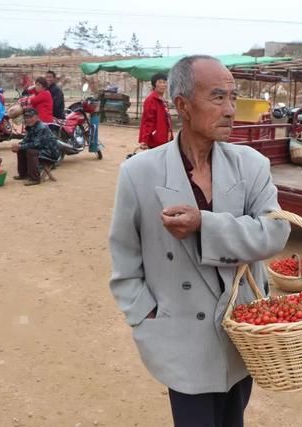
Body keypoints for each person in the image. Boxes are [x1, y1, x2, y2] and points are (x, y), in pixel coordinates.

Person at [108, 55, 290, 427]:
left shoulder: (251, 165)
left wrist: (204, 225)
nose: (230, 109)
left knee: (233, 419)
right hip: (180, 335)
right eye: (218, 98)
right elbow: (125, 257)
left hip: (241, 332)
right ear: (183, 106)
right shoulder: (138, 173)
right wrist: (145, 314)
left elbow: (275, 232)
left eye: (233, 98)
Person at [11, 108, 61, 186]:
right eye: (26, 118)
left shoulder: (41, 127)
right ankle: (23, 174)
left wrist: (20, 146)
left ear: (37, 117)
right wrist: (17, 146)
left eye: (31, 117)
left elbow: (36, 144)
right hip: (42, 149)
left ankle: (34, 179)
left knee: (31, 151)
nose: (28, 120)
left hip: (51, 152)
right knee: (21, 150)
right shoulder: (30, 127)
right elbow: (26, 140)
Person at [138, 72, 173, 148]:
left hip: (165, 138)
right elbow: (148, 121)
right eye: (160, 82)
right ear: (154, 85)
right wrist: (144, 140)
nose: (163, 85)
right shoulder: (151, 100)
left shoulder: (163, 100)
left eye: (164, 82)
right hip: (155, 140)